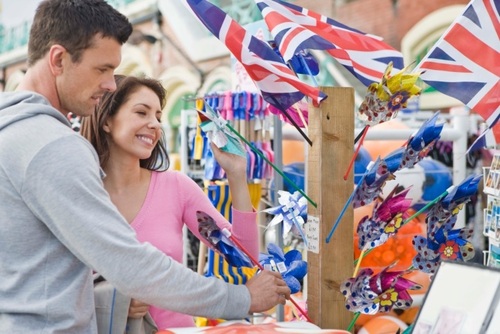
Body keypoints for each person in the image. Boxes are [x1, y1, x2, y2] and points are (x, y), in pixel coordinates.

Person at [0, 0, 290, 332]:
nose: (110, 83)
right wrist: (240, 299)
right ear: (58, 59)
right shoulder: (55, 147)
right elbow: (131, 264)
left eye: (158, 115)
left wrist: (237, 175)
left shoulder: (13, 134)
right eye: (102, 69)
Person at [80, 74, 259, 329]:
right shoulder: (80, 194)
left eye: (158, 117)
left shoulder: (176, 187)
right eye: (142, 113)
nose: (154, 124)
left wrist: (236, 174)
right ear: (107, 120)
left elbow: (243, 256)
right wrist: (111, 300)